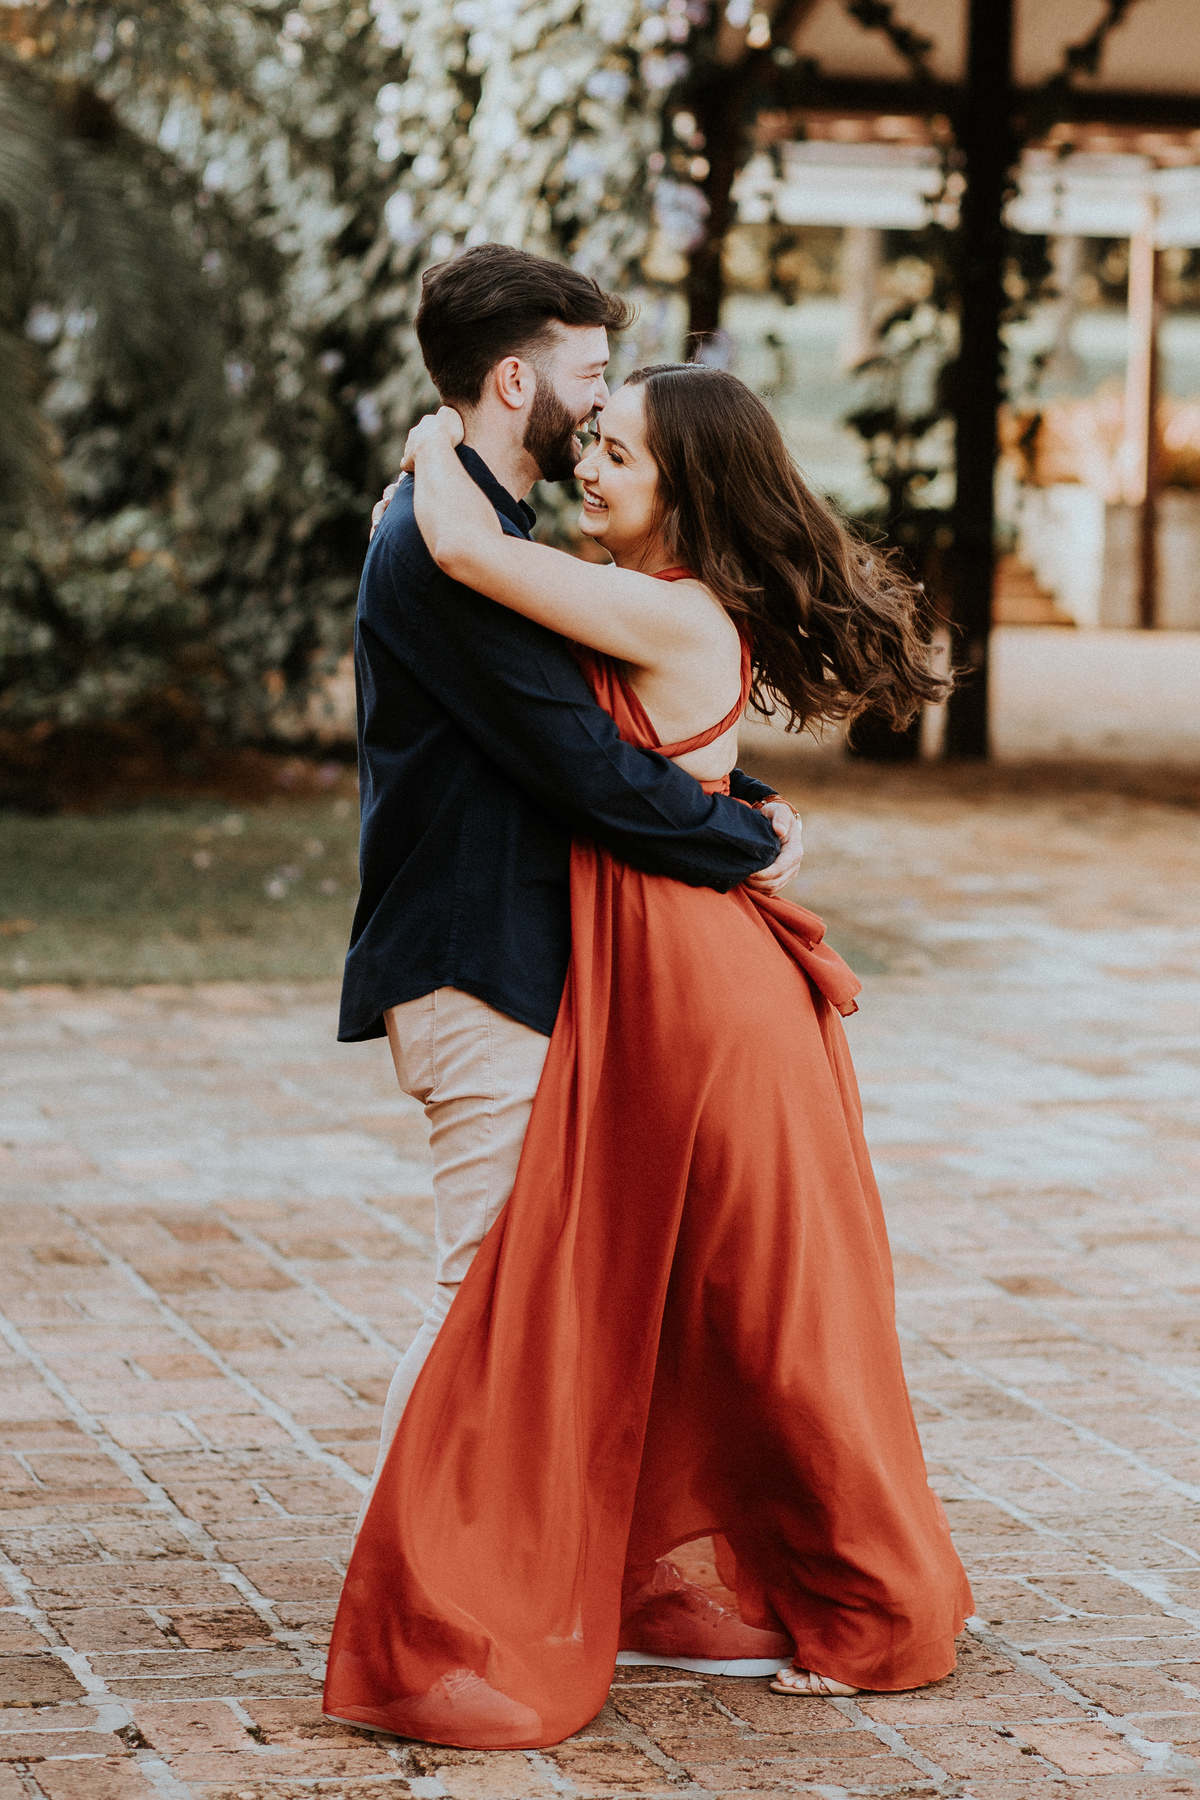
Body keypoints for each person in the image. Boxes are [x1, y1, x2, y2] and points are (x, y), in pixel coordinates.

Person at [323, 356, 973, 1751]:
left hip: (707, 997)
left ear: (689, 487)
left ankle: (879, 1609)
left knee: (773, 1313)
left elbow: (460, 550)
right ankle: (619, 1568)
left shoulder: (666, 608)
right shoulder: (632, 597)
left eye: (620, 451)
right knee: (687, 1301)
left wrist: (436, 440)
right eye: (592, 441)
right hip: (660, 980)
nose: (589, 465)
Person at [337, 247, 802, 1637]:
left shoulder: (479, 521)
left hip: (524, 955)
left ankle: (541, 1570)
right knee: (485, 1288)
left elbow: (600, 722)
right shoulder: (443, 543)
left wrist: (741, 796)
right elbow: (583, 767)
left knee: (539, 1287)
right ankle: (416, 1599)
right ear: (513, 380)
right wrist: (746, 842)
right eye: (591, 377)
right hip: (477, 958)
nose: (602, 406)